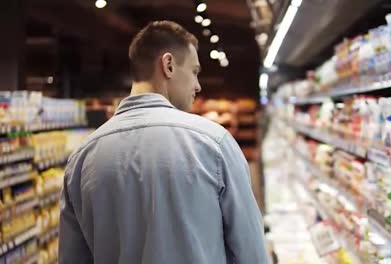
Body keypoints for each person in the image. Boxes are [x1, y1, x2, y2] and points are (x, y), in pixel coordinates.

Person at [59, 20, 268, 264]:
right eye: (194, 72)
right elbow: (251, 254)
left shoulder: (81, 160)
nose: (198, 85)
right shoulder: (214, 145)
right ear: (168, 65)